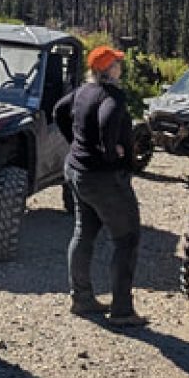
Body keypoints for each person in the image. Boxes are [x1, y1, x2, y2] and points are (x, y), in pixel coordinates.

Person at [52, 45, 147, 327]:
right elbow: (107, 121)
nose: (121, 66)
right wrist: (110, 152)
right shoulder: (111, 96)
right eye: (117, 63)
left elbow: (59, 111)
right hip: (104, 178)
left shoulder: (83, 91)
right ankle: (122, 311)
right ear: (108, 70)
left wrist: (77, 144)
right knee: (127, 239)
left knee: (83, 232)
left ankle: (82, 298)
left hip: (77, 171)